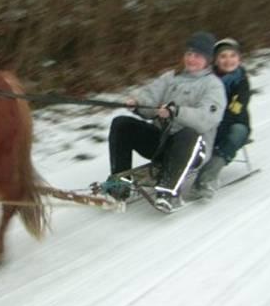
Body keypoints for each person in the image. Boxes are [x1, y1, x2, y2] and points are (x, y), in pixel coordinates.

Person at [105, 31, 227, 203]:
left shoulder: (213, 85)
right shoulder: (171, 77)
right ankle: (120, 184)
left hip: (191, 151)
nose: (191, 59)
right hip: (162, 144)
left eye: (198, 56)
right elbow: (150, 98)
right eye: (189, 54)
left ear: (208, 60)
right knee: (121, 124)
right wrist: (137, 104)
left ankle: (168, 192)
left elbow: (206, 119)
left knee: (189, 133)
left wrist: (176, 112)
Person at [189, 37, 252, 199]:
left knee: (237, 132)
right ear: (215, 60)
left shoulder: (241, 82)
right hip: (206, 122)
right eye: (223, 56)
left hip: (234, 123)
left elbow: (236, 109)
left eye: (233, 56)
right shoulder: (206, 78)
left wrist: (216, 126)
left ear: (239, 58)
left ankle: (205, 179)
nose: (228, 60)